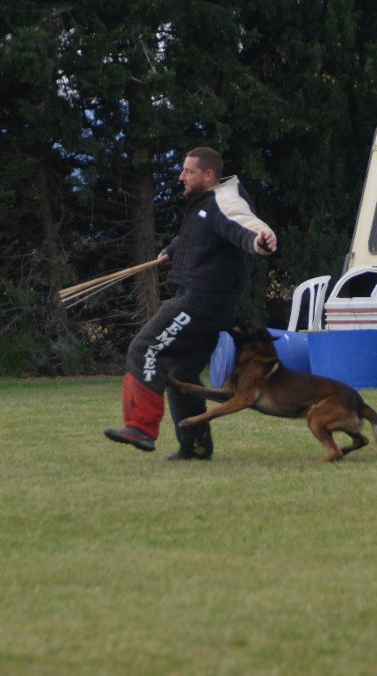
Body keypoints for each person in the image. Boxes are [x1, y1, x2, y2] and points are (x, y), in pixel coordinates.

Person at [104, 147, 277, 461]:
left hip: (201, 300)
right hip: (211, 302)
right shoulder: (204, 205)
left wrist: (260, 240)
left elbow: (244, 224)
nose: (181, 176)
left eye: (188, 171)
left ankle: (141, 428)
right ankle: (195, 449)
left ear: (208, 175)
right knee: (182, 371)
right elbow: (202, 237)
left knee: (145, 347)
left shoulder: (225, 200)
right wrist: (173, 250)